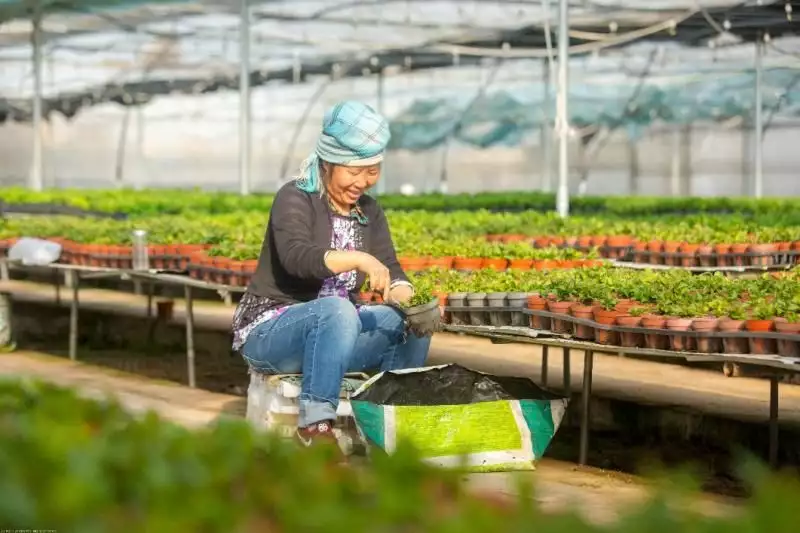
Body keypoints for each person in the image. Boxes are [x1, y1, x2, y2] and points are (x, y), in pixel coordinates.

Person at [231, 100, 431, 447]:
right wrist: (358, 259)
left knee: (407, 324)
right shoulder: (295, 198)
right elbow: (298, 259)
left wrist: (410, 300)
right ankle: (315, 426)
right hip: (272, 331)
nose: (363, 181)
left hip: (337, 335)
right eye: (354, 171)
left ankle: (390, 425)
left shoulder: (369, 211)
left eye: (372, 170)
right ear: (328, 162)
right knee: (337, 309)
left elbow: (391, 269)